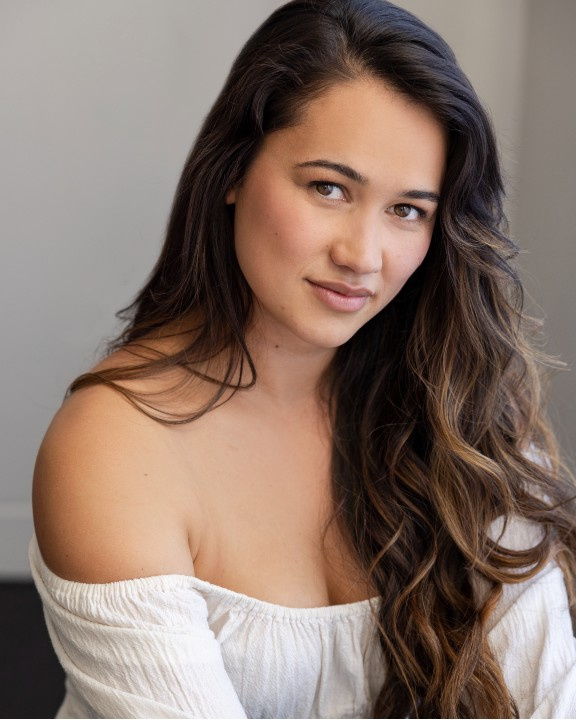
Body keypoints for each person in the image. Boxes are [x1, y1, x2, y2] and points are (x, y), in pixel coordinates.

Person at [30, 0, 576, 717]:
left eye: (407, 210)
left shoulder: (465, 412)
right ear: (233, 170)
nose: (363, 255)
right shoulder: (115, 446)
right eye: (328, 188)